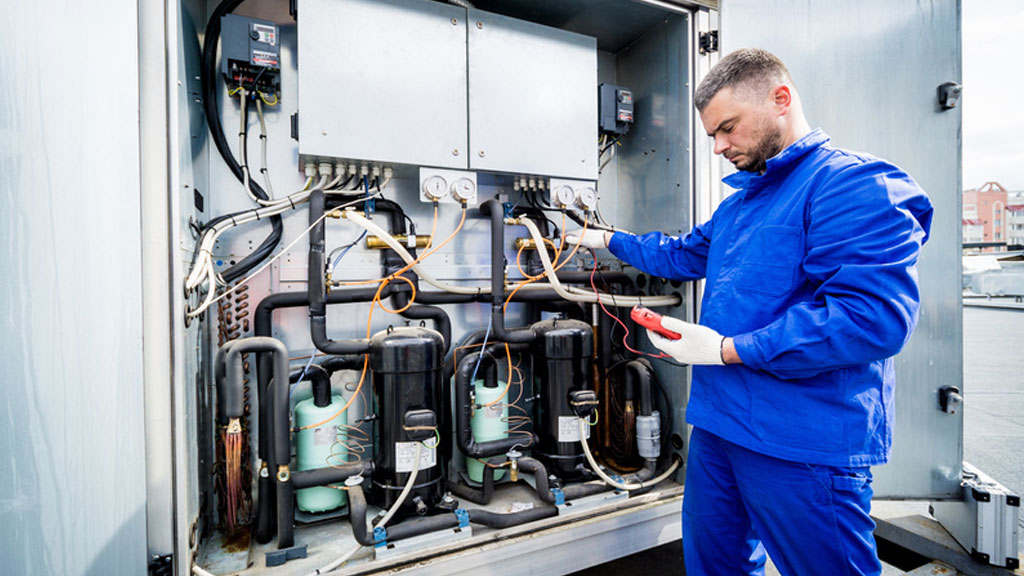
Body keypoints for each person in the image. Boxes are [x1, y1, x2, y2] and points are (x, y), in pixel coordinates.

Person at [568, 48, 933, 575]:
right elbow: (681, 254)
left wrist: (725, 349)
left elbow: (871, 318)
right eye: (712, 134)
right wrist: (603, 238)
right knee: (716, 566)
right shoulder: (741, 205)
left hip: (801, 439)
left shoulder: (849, 185)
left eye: (728, 128)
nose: (718, 147)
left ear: (780, 99)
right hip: (720, 427)